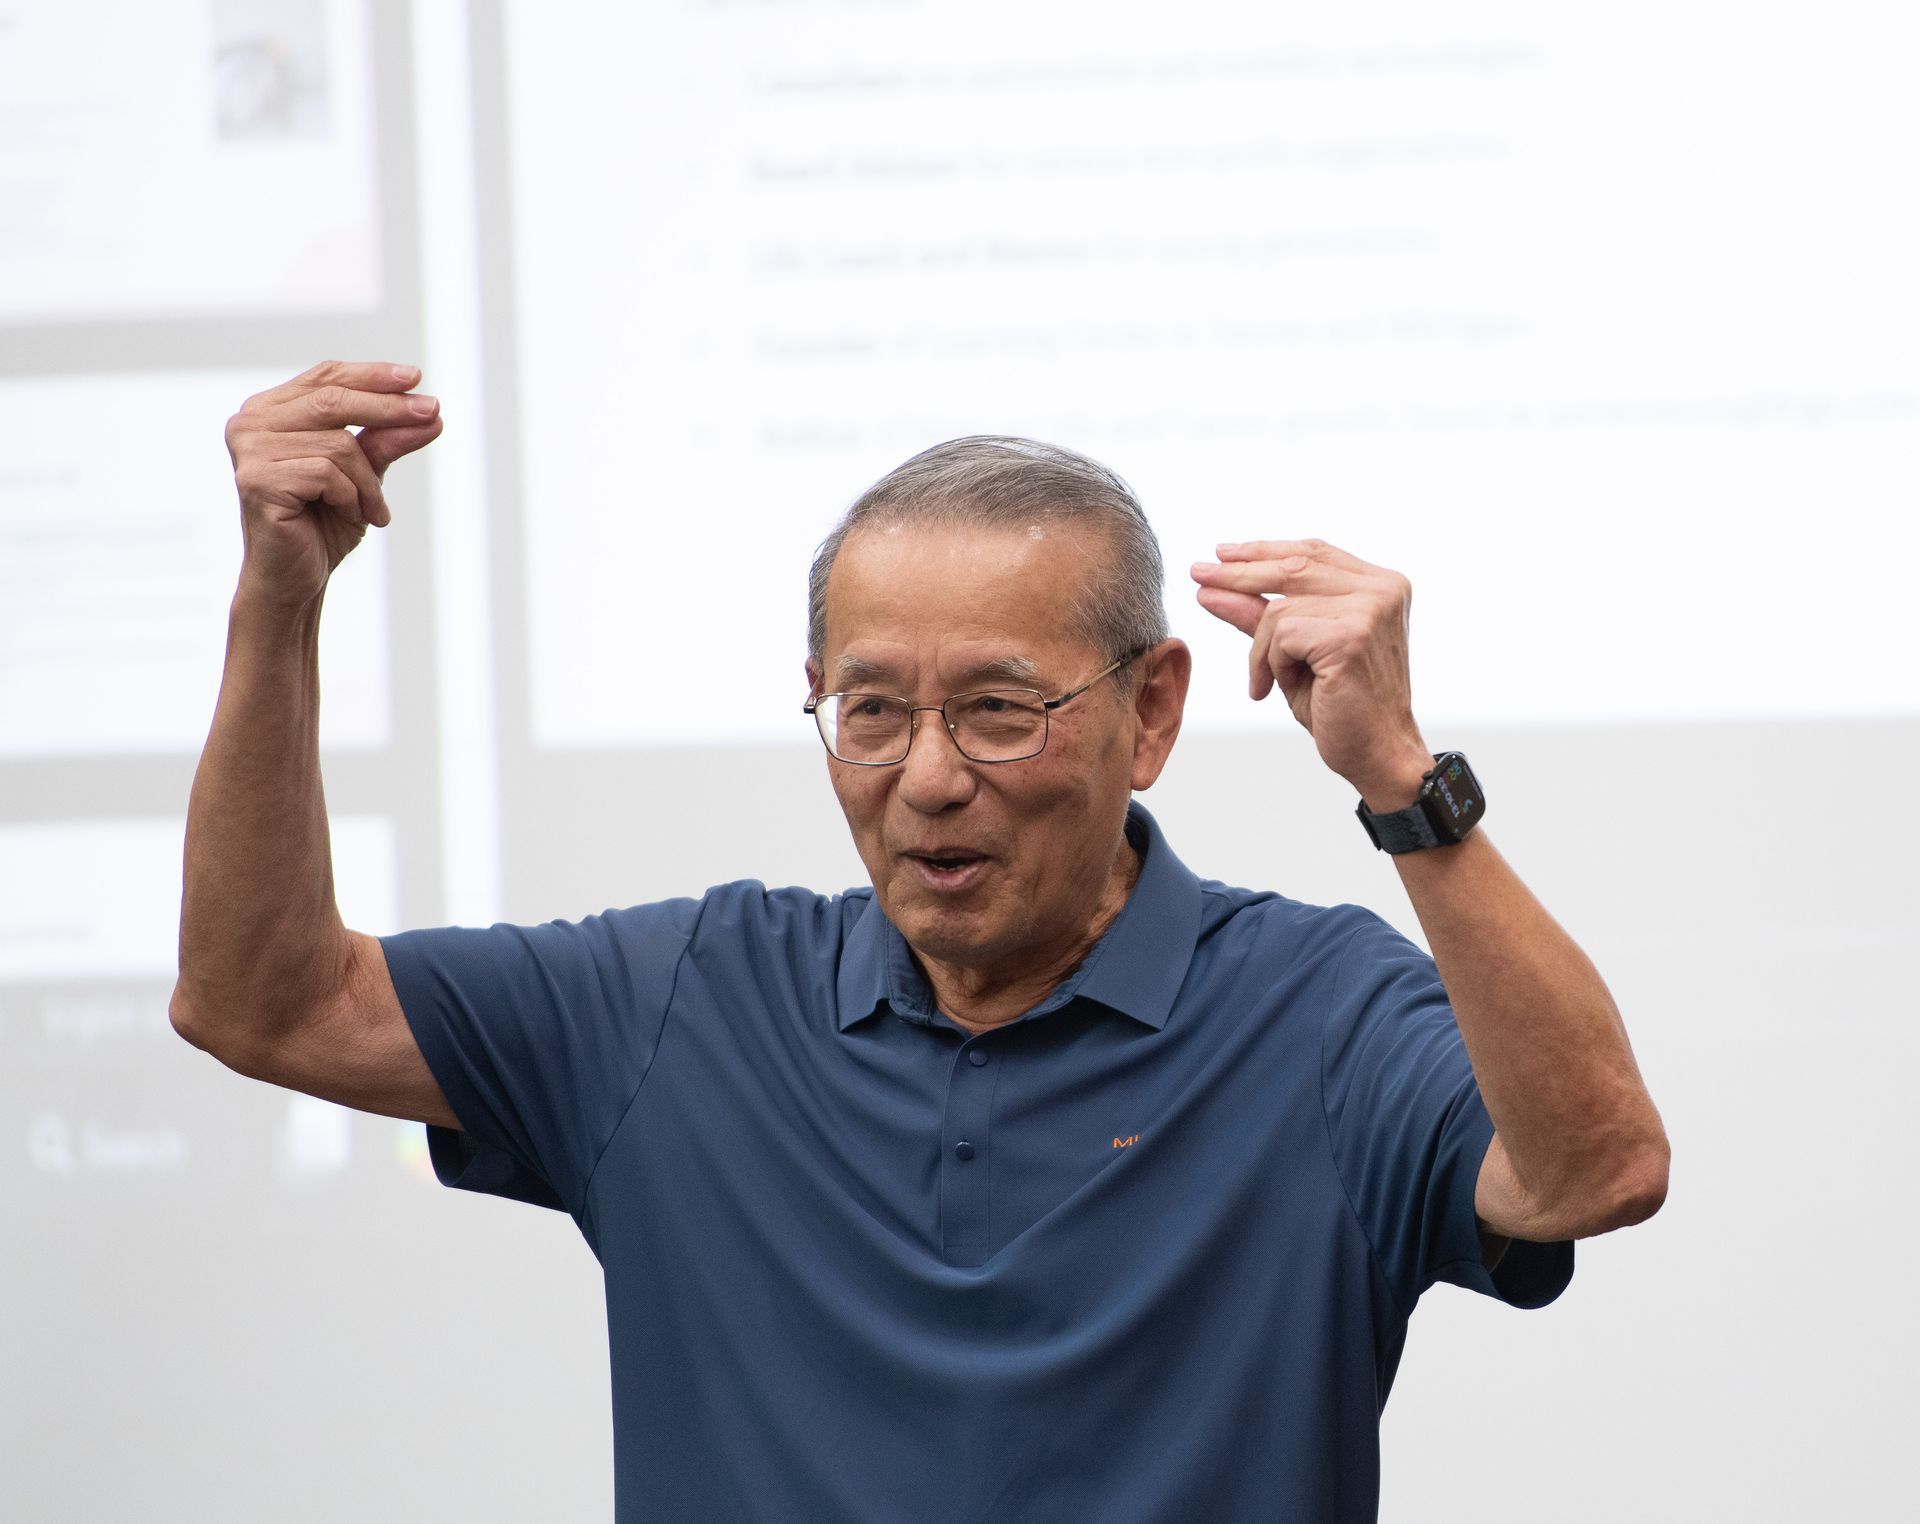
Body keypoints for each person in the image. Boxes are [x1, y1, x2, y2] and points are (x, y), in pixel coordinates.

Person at [173, 360, 1668, 1522]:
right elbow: (265, 999)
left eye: (1001, 708)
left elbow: (1597, 1170)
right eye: (873, 710)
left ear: (1152, 712)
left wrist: (1406, 785)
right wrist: (278, 602)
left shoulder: (1316, 1016)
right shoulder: (683, 1006)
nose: (929, 776)